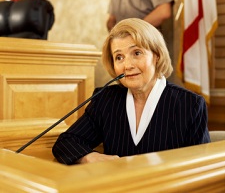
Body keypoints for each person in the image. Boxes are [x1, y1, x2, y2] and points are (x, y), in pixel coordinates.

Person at [52, 18, 210, 165]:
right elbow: (67, 142)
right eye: (119, 57)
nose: (127, 65)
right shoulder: (106, 100)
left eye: (137, 53)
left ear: (157, 55)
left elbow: (200, 168)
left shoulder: (190, 105)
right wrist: (91, 157)